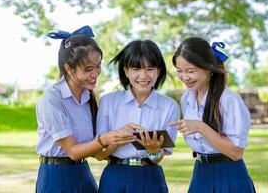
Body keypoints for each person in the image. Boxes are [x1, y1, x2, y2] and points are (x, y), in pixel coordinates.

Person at [35, 25, 139, 193]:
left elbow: (97, 154)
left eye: (98, 66)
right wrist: (105, 139)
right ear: (68, 69)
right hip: (56, 177)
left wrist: (118, 138)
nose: (95, 73)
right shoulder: (52, 99)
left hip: (83, 173)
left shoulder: (88, 97)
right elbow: (74, 152)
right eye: (88, 69)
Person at [169, 37, 256, 193]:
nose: (184, 77)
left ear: (208, 69)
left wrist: (201, 127)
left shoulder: (228, 100)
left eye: (190, 71)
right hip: (200, 173)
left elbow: (236, 153)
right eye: (179, 71)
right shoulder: (186, 98)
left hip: (229, 174)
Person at [95, 40, 180, 193]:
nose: (143, 75)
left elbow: (159, 157)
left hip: (151, 177)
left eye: (150, 68)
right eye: (136, 69)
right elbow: (100, 154)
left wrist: (153, 151)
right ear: (126, 71)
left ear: (159, 71)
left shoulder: (170, 106)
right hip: (115, 176)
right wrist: (116, 141)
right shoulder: (108, 102)